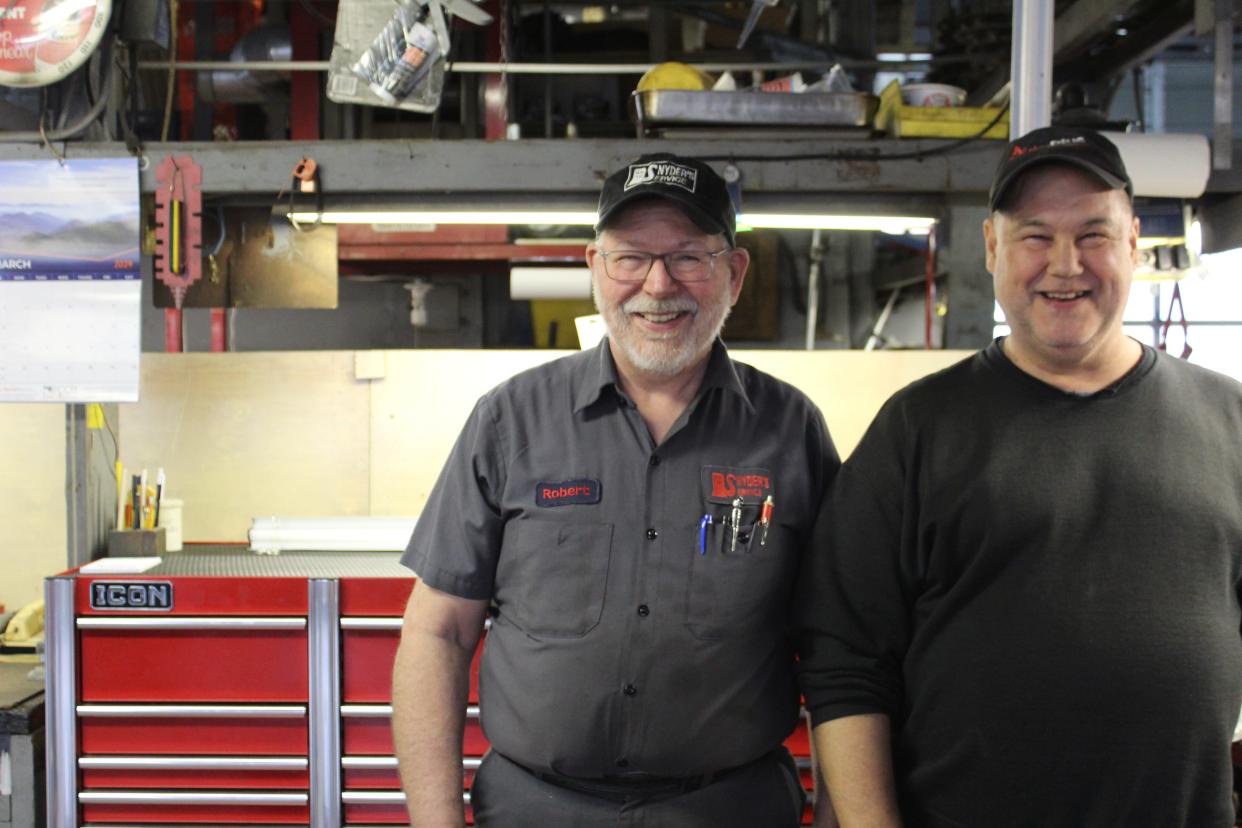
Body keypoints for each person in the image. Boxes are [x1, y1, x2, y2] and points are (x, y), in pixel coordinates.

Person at [796, 125, 1242, 827]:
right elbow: (845, 664)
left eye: (1093, 234)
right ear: (993, 249)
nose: (1066, 265)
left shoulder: (1229, 419)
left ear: (1133, 245)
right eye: (1036, 236)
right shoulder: (917, 429)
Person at [393, 152, 840, 827]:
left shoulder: (790, 431)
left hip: (733, 809)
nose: (658, 286)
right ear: (595, 267)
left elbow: (840, 650)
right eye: (631, 257)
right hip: (532, 810)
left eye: (689, 256)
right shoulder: (510, 421)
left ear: (735, 273)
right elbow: (437, 634)